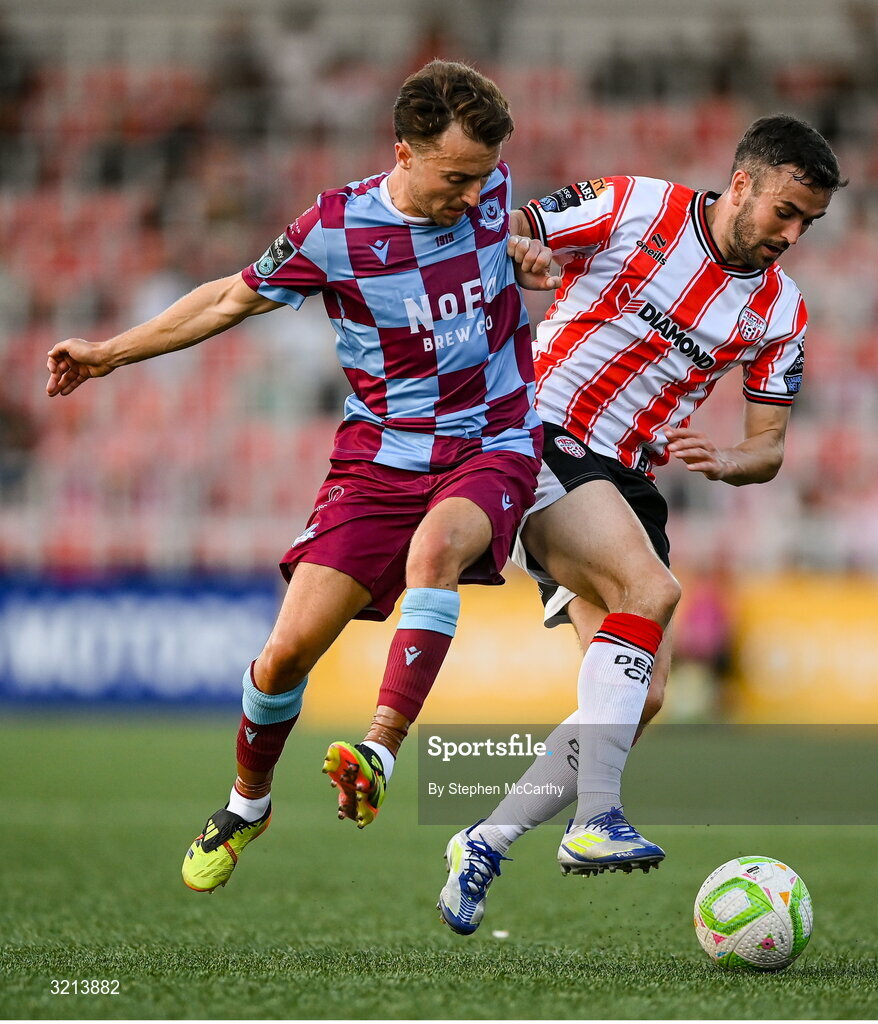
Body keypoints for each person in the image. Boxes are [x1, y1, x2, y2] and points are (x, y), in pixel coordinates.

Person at [45, 60, 559, 895]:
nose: (473, 195)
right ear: (404, 150)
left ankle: (380, 752)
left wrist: (520, 253)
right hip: (379, 457)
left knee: (437, 555)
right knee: (283, 657)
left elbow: (495, 233)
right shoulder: (334, 230)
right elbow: (224, 302)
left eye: (481, 179)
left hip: (492, 437)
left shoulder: (490, 187)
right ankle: (248, 806)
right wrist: (106, 355)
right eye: (455, 178)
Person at [438, 113, 847, 934]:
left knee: (643, 695)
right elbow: (517, 222)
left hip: (624, 482)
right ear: (742, 183)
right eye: (784, 212)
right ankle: (594, 821)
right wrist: (521, 249)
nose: (791, 234)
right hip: (537, 431)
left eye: (808, 223)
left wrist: (736, 458)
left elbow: (767, 445)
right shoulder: (632, 206)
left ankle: (483, 841)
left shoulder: (779, 311)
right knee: (651, 588)